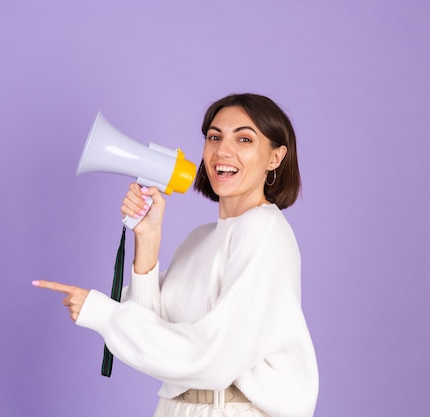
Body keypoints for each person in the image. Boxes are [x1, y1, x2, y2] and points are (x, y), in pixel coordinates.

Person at [33, 93, 319, 417]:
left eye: (244, 138)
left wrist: (102, 312)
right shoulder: (200, 239)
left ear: (275, 158)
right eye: (214, 137)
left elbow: (215, 361)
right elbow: (154, 339)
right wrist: (148, 239)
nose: (222, 151)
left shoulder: (265, 232)